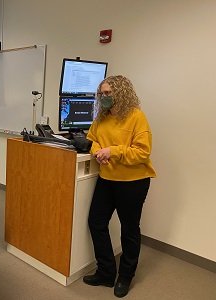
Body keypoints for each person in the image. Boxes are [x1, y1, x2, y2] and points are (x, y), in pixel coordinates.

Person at [82, 75, 156, 298]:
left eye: (108, 93)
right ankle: (106, 272)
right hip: (107, 179)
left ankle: (125, 277)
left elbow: (143, 152)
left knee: (129, 230)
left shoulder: (136, 117)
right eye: (101, 93)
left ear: (121, 93)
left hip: (133, 183)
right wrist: (96, 150)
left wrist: (113, 151)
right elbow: (92, 139)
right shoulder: (102, 117)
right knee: (96, 222)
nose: (104, 97)